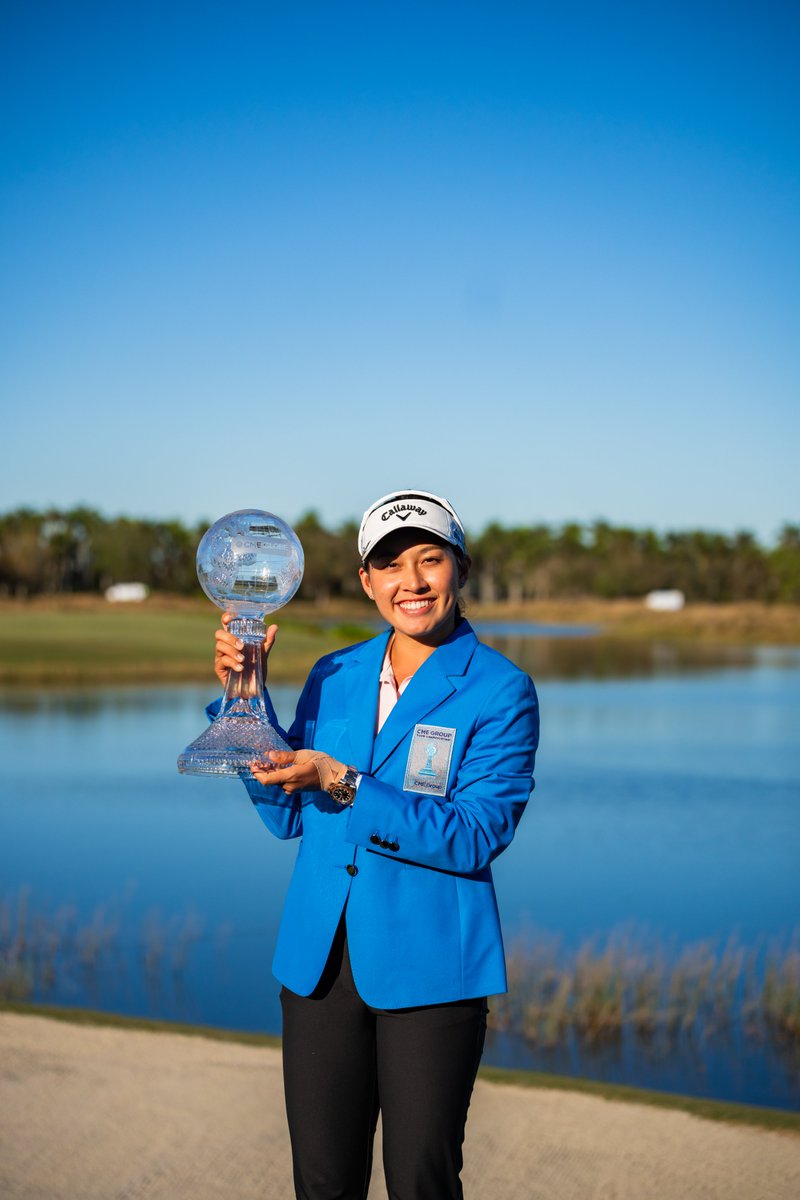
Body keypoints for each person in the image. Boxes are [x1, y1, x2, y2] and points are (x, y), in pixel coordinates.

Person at [211, 488, 539, 1200]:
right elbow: (285, 814)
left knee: (420, 1181)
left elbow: (477, 835)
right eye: (389, 566)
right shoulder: (337, 672)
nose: (411, 583)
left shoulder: (501, 690)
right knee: (324, 1182)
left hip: (432, 969)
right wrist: (245, 702)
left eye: (430, 560)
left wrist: (346, 781)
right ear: (366, 581)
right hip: (320, 964)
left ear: (460, 568)